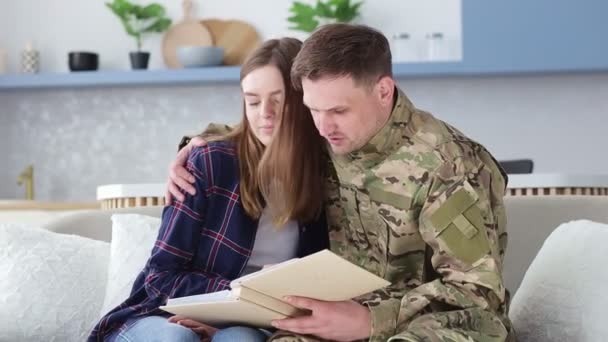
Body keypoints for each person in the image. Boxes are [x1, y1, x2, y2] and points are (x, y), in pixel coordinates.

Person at [168, 24, 515, 342]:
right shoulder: (325, 135)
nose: (321, 126)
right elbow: (255, 130)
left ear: (383, 90)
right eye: (312, 110)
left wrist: (370, 320)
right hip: (337, 320)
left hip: (439, 326)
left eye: (338, 111)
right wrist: (192, 147)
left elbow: (478, 295)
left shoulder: (449, 165)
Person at [88, 37, 330, 342]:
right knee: (179, 339)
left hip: (250, 325)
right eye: (253, 101)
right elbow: (160, 277)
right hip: (161, 316)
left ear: (303, 99)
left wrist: (235, 315)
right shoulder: (211, 162)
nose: (264, 113)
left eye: (278, 100)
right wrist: (242, 291)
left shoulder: (324, 176)